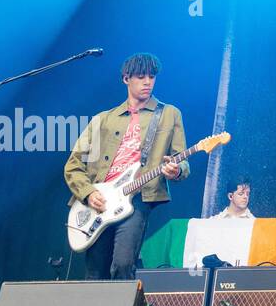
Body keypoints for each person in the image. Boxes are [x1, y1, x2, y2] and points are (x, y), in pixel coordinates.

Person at [64, 53, 190, 280]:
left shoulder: (169, 114)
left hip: (138, 196)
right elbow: (73, 165)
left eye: (152, 77)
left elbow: (181, 160)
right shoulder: (103, 118)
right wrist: (88, 192)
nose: (147, 82)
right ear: (126, 79)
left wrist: (177, 169)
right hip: (100, 201)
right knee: (95, 272)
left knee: (123, 264)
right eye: (141, 77)